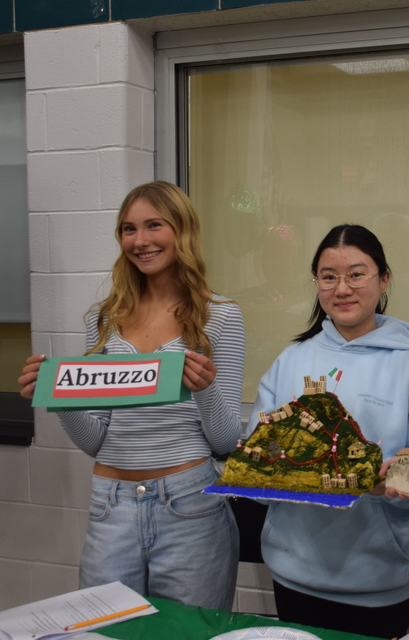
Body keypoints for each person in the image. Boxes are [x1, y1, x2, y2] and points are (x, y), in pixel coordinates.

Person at [18, 181, 244, 611]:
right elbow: (96, 441)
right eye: (129, 229)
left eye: (154, 225)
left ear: (182, 230)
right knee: (105, 631)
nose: (140, 240)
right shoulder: (104, 319)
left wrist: (206, 391)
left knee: (185, 635)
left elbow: (227, 442)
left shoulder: (220, 316)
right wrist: (61, 398)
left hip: (189, 504)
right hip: (111, 504)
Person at [248, 223, 409, 639]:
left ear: (384, 279)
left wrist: (397, 478)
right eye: (329, 277)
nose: (342, 288)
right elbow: (254, 460)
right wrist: (274, 459)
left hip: (378, 581)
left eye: (356, 274)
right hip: (293, 573)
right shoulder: (291, 361)